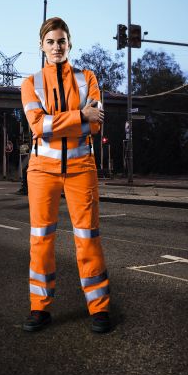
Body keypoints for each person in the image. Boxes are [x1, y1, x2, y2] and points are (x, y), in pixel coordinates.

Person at [20, 17, 111, 333]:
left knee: (88, 239)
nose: (56, 47)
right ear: (41, 46)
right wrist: (78, 115)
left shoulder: (88, 78)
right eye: (50, 42)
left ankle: (99, 308)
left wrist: (60, 121)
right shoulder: (30, 83)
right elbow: (37, 127)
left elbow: (95, 123)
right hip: (42, 172)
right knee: (41, 241)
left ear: (69, 43)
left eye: (61, 41)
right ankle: (39, 309)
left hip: (81, 169)